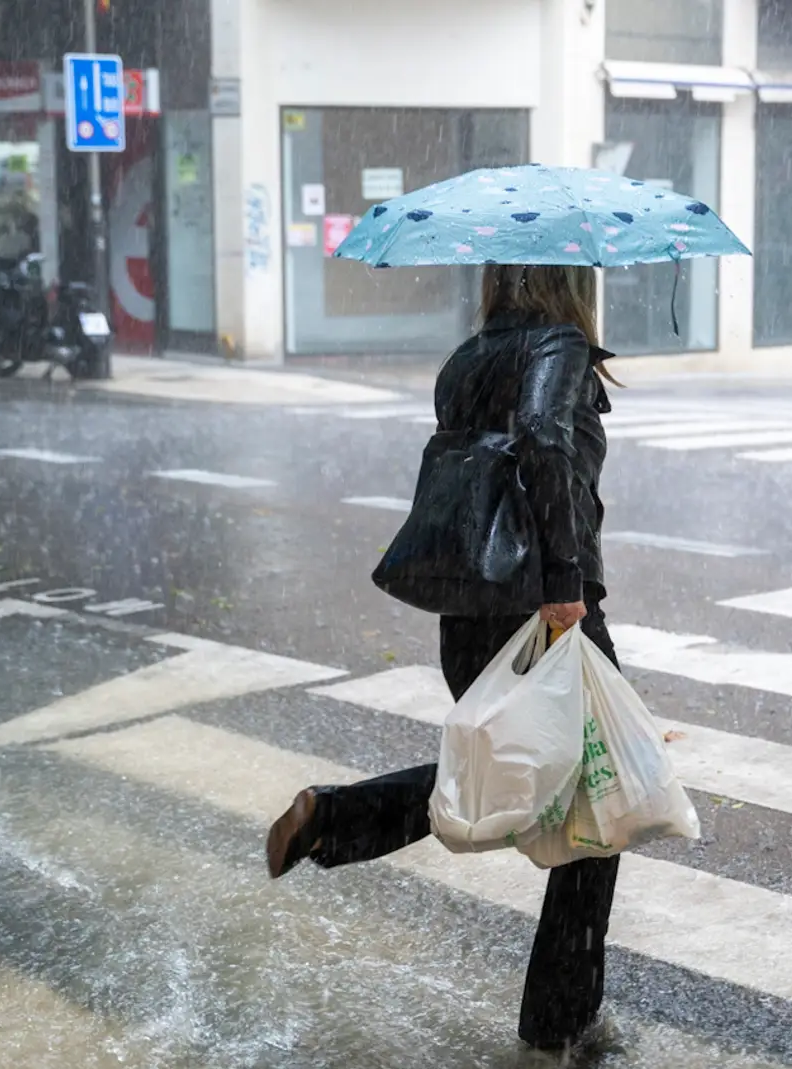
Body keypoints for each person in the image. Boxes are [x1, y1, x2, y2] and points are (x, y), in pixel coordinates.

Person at [264, 263, 621, 1053]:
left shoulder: (468, 358)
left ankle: (335, 819)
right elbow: (540, 436)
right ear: (572, 282)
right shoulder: (557, 344)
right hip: (544, 605)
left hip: (472, 610)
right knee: (599, 792)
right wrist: (565, 582)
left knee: (523, 771)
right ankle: (557, 1024)